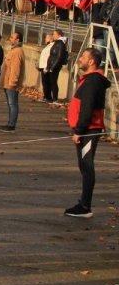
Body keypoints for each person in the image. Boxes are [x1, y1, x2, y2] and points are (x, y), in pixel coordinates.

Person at [64, 48, 110, 218]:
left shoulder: (93, 81)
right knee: (84, 166)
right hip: (85, 130)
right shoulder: (89, 80)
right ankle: (83, 203)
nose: (80, 59)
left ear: (91, 62)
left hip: (88, 131)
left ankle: (85, 206)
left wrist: (79, 130)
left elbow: (87, 108)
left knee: (87, 165)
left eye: (83, 56)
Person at [0, 33, 24, 132]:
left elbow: (15, 68)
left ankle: (11, 125)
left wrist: (13, 82)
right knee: (11, 104)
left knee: (12, 104)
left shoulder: (17, 51)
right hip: (7, 82)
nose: (10, 39)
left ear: (18, 40)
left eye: (12, 38)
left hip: (11, 83)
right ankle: (10, 123)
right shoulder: (13, 50)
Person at [42, 29, 68, 103]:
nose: (53, 36)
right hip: (51, 66)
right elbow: (51, 56)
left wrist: (52, 67)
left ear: (59, 35)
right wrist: (48, 67)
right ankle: (50, 98)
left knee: (53, 82)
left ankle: (55, 99)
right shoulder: (57, 43)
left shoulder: (60, 44)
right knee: (50, 82)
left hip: (54, 67)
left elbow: (59, 57)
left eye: (54, 34)